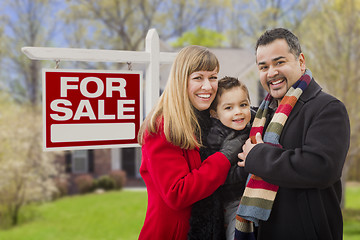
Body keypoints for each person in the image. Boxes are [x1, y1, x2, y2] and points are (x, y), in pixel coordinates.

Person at [235, 28, 350, 240]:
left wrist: (257, 156)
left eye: (279, 62)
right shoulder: (260, 115)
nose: (271, 73)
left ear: (301, 61)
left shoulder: (328, 108)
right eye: (264, 67)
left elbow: (321, 167)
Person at [137, 45, 245, 240]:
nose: (208, 86)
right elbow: (177, 193)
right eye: (198, 78)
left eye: (213, 77)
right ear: (181, 80)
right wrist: (224, 156)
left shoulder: (206, 120)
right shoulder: (163, 127)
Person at [188, 77, 254, 240]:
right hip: (233, 199)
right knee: (238, 232)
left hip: (253, 193)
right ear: (215, 114)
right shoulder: (215, 137)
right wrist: (246, 169)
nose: (238, 111)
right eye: (229, 108)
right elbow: (220, 176)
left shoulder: (253, 122)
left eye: (243, 105)